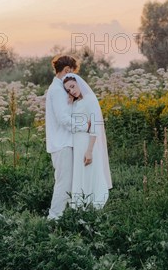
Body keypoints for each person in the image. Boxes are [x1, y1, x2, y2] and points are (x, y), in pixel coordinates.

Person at [63, 73, 112, 209]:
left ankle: (93, 204)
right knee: (80, 173)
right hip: (77, 143)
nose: (72, 91)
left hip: (87, 142)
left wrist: (89, 150)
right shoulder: (75, 102)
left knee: (90, 170)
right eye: (68, 90)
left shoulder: (90, 99)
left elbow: (95, 125)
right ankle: (80, 204)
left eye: (72, 86)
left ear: (79, 83)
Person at [45, 55, 79, 220]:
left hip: (63, 142)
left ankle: (64, 217)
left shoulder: (59, 89)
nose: (71, 76)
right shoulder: (57, 90)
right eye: (69, 72)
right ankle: (53, 219)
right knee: (63, 183)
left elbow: (65, 113)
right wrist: (83, 126)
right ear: (65, 70)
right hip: (62, 143)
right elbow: (63, 119)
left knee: (68, 182)